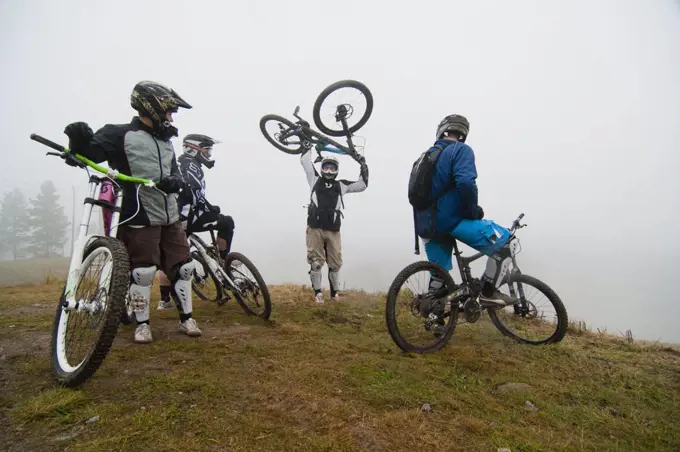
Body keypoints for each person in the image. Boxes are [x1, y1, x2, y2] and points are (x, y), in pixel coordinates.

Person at [62, 80, 202, 343]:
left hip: (169, 214)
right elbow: (90, 154)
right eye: (169, 111)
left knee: (184, 268)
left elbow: (174, 170)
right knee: (143, 271)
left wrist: (176, 180)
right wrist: (77, 142)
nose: (171, 117)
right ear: (153, 107)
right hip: (138, 213)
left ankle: (187, 318)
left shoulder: (166, 140)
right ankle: (142, 324)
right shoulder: (119, 134)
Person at [413, 114, 517, 306]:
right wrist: (472, 212)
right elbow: (466, 184)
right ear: (463, 134)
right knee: (506, 243)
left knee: (439, 273)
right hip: (450, 221)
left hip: (425, 225)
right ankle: (488, 291)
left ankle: (434, 316)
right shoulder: (460, 150)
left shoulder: (424, 157)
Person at [157, 133, 235, 310]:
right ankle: (223, 264)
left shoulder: (179, 163)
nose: (209, 154)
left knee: (168, 256)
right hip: (189, 217)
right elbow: (194, 193)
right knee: (227, 223)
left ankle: (164, 299)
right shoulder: (190, 165)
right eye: (207, 150)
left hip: (174, 218)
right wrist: (209, 207)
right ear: (194, 149)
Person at [301, 144, 369, 303]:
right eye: (326, 167)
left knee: (335, 263)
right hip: (315, 228)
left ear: (337, 169)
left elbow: (362, 185)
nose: (329, 170)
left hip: (333, 230)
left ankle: (334, 294)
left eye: (332, 168)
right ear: (322, 168)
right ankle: (318, 294)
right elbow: (305, 162)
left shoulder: (341, 185)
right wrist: (307, 147)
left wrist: (363, 166)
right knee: (316, 262)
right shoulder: (314, 179)